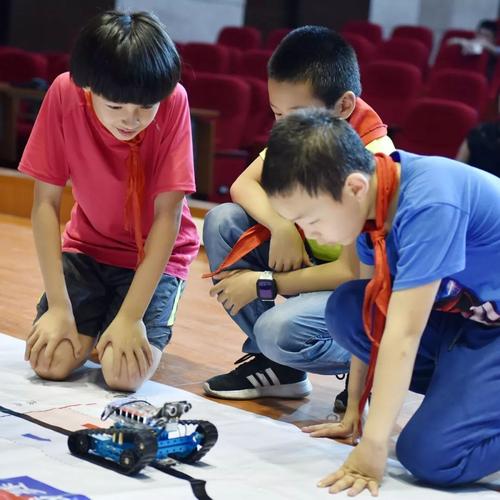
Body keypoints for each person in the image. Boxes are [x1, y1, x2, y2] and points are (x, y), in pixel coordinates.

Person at [260, 108, 500, 496]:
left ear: (353, 187)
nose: (308, 232)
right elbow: (378, 317)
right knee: (347, 307)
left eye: (310, 219)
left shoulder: (429, 202)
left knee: (429, 457)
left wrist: (373, 447)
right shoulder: (374, 199)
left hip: (489, 329)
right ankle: (466, 395)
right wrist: (354, 410)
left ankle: (470, 400)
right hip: (471, 322)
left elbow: (403, 335)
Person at [202, 26, 394, 410]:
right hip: (308, 268)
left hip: (359, 291)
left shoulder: (375, 161)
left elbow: (352, 273)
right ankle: (279, 369)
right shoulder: (303, 131)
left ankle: (369, 368)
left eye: (295, 115)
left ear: (343, 106)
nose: (283, 127)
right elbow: (243, 185)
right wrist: (282, 225)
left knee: (278, 330)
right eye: (277, 114)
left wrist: (264, 284)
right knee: (223, 220)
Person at [19, 11, 200, 392]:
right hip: (88, 248)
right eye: (116, 107)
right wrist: (59, 306)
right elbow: (45, 205)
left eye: (144, 108)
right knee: (51, 362)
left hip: (153, 258)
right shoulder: (65, 92)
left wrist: (132, 317)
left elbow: (169, 218)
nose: (131, 120)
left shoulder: (173, 100)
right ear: (88, 87)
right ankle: (97, 323)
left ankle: (118, 322)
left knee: (123, 375)